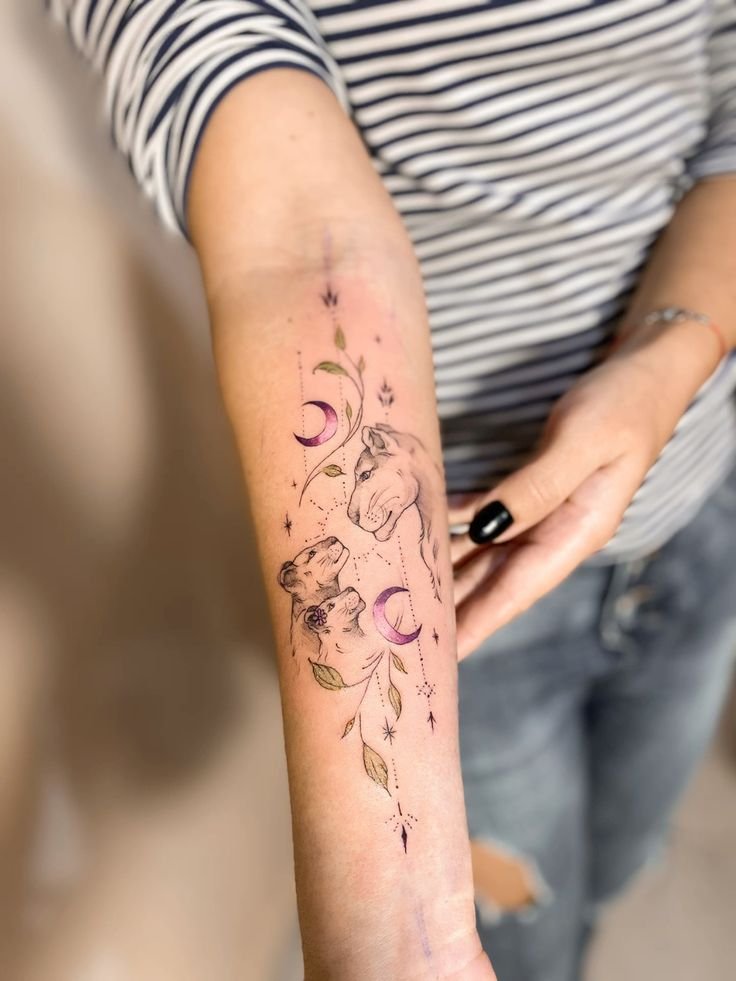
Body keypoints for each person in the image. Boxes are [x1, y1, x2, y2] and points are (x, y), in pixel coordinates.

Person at [51, 2, 736, 979]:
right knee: (527, 940)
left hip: (702, 499)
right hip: (465, 602)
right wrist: (402, 942)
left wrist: (676, 347)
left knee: (614, 867)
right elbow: (310, 254)